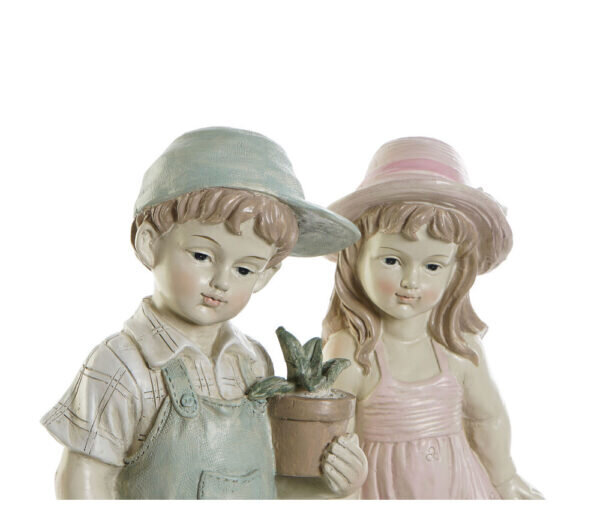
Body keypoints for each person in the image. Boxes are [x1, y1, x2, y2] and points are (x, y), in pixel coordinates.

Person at [42, 127, 367, 499]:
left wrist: (330, 486)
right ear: (149, 244)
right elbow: (85, 482)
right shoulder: (122, 365)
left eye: (244, 269)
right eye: (201, 255)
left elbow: (266, 482)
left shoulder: (252, 362)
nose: (221, 281)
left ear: (264, 277)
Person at [322, 137, 542, 499]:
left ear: (456, 271)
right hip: (384, 489)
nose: (411, 281)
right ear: (355, 257)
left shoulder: (459, 347)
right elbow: (331, 437)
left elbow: (487, 418)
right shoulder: (351, 351)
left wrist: (506, 479)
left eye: (433, 266)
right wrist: (343, 491)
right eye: (392, 260)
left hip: (461, 488)